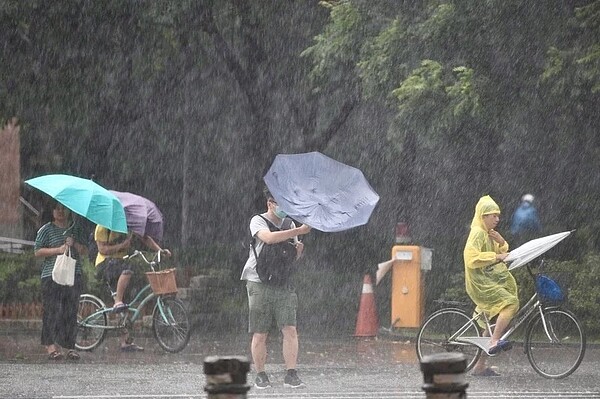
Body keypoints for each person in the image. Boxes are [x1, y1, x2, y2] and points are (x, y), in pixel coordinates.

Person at [240, 189, 311, 389]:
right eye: (279, 203)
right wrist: (298, 231)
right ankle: (261, 374)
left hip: (283, 281)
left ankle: (291, 372)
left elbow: (291, 257)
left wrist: (298, 252)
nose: (283, 208)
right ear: (270, 203)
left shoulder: (290, 223)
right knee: (260, 331)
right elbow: (269, 238)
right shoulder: (257, 221)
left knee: (290, 328)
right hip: (258, 282)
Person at [464, 195, 519, 377]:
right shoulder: (478, 233)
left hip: (488, 281)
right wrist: (496, 257)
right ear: (483, 216)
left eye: (498, 215)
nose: (497, 219)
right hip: (480, 283)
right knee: (510, 303)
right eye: (493, 215)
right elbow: (471, 258)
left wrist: (501, 242)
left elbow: (502, 253)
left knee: (488, 323)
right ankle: (495, 341)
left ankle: (479, 366)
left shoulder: (488, 234)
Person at [94, 224, 171, 351]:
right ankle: (117, 300)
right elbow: (102, 250)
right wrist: (122, 246)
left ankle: (126, 341)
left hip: (121, 262)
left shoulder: (128, 225)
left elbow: (144, 237)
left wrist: (160, 250)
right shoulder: (103, 226)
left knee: (128, 302)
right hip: (105, 263)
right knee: (128, 269)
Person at [34, 201, 88, 361]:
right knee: (51, 311)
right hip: (51, 275)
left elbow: (85, 251)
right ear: (52, 211)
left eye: (63, 208)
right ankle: (50, 345)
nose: (60, 212)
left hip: (73, 275)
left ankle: (70, 346)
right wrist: (58, 250)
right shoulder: (46, 229)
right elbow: (37, 251)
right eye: (57, 208)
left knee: (70, 311)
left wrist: (75, 244)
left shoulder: (75, 229)